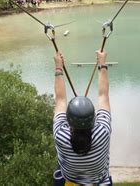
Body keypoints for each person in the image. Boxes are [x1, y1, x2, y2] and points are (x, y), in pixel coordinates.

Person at [53, 50, 112, 185]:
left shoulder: (60, 135)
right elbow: (103, 95)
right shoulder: (103, 131)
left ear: (69, 120)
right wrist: (102, 64)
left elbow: (60, 100)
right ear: (93, 119)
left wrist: (58, 67)